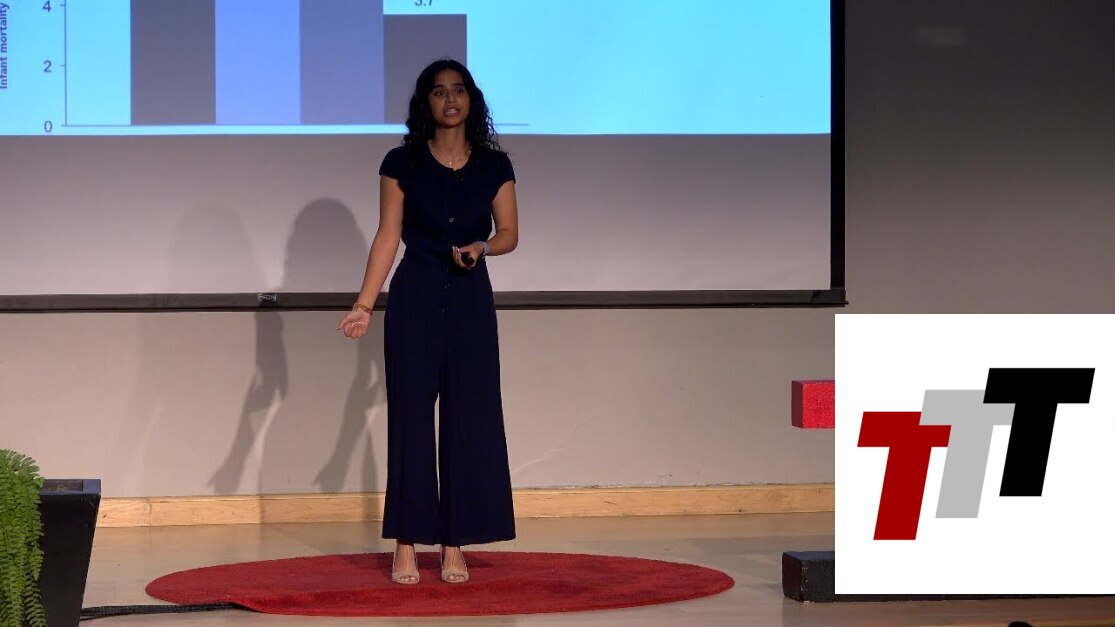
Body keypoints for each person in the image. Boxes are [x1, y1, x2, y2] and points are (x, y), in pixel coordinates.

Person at [336, 59, 519, 585]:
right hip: (415, 299)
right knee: (412, 420)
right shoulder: (402, 162)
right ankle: (407, 542)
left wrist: (483, 247)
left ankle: (454, 543)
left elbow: (509, 233)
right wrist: (364, 304)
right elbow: (387, 235)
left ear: (471, 99)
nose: (450, 100)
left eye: (458, 90)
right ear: (426, 102)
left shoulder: (494, 165)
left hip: (469, 302)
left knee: (468, 418)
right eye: (439, 92)